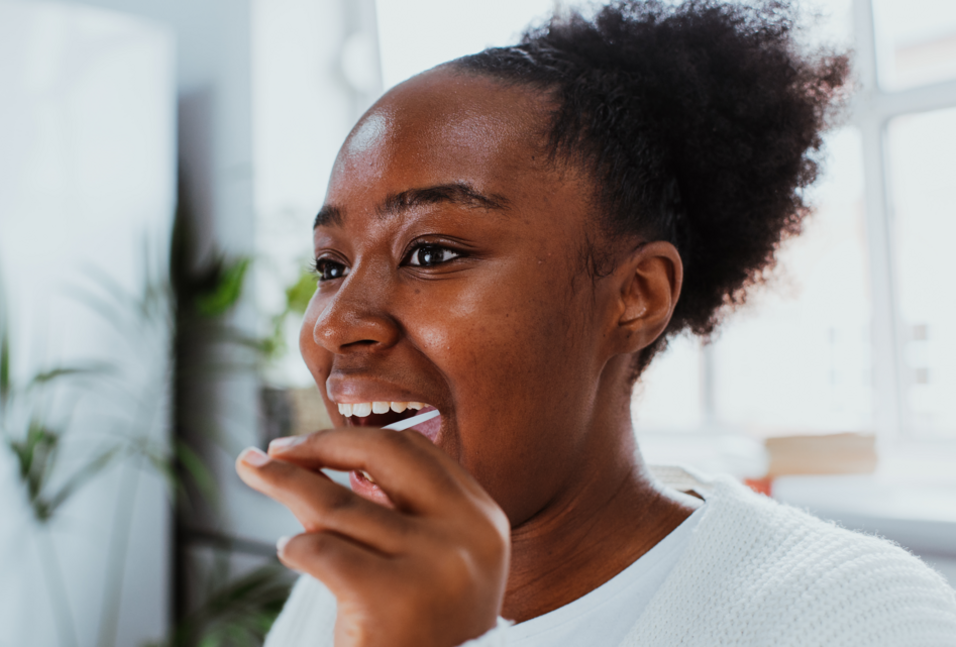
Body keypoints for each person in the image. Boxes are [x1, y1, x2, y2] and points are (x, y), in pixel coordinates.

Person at [235, 1, 956, 645]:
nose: (336, 323)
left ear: (636, 296)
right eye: (331, 265)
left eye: (430, 252)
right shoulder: (337, 586)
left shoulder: (855, 616)